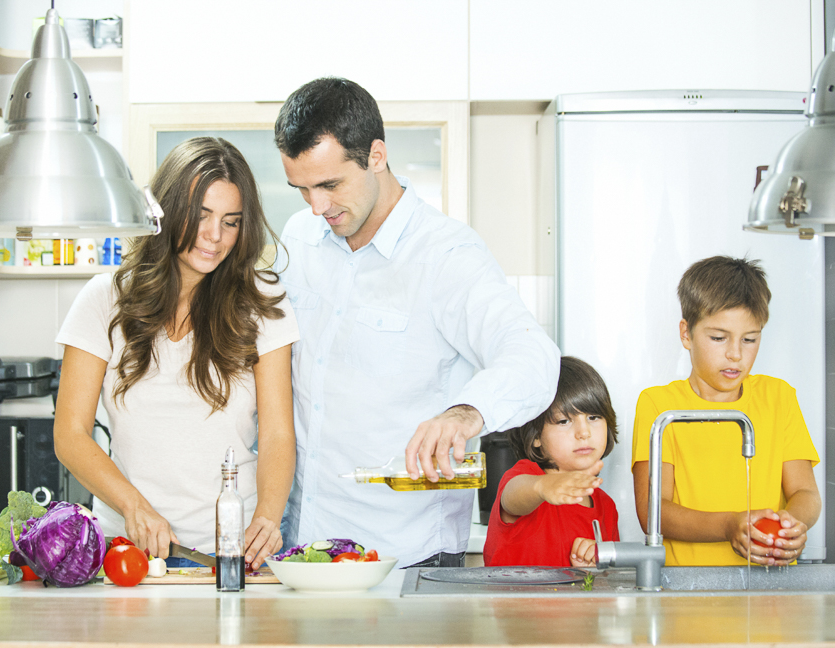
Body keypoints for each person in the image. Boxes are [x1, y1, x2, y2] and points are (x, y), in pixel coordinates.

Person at [272, 77, 561, 568]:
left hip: (404, 554)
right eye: (301, 189)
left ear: (377, 155)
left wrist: (465, 412)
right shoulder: (300, 237)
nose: (317, 207)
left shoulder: (447, 254)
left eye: (329, 185)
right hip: (305, 545)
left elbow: (532, 353)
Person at [53, 137, 300, 569]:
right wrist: (134, 507)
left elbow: (278, 433)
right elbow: (70, 434)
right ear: (166, 210)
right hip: (128, 554)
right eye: (201, 216)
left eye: (231, 221)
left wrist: (266, 518)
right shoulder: (103, 299)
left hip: (230, 552)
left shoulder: (262, 300)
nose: (214, 236)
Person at [631, 255, 821, 567]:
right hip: (687, 595)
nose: (735, 354)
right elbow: (653, 512)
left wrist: (793, 524)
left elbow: (805, 492)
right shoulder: (659, 405)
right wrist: (728, 526)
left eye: (750, 339)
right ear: (686, 334)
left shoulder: (779, 397)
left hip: (772, 595)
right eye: (718, 338)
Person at [483, 356, 620, 567]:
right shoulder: (526, 478)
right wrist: (542, 486)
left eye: (593, 418)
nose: (583, 432)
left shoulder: (606, 507)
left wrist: (593, 569)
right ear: (536, 435)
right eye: (564, 421)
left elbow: (609, 582)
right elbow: (512, 498)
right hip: (515, 601)